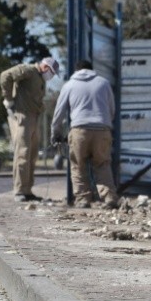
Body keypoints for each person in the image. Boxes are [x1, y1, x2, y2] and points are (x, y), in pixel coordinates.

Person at [51, 60, 119, 209]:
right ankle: (109, 198)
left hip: (79, 130)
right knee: (102, 164)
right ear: (91, 69)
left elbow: (59, 114)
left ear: (76, 70)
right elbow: (112, 109)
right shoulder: (104, 83)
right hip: (102, 129)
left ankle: (83, 199)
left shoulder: (69, 85)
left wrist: (55, 133)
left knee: (78, 165)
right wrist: (106, 124)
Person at [0, 57, 60, 203]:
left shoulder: (39, 78)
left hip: (33, 118)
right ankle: (19, 190)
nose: (51, 76)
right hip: (22, 116)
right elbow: (5, 76)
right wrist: (9, 99)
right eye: (51, 72)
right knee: (22, 153)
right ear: (46, 67)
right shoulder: (28, 70)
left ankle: (27, 190)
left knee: (32, 155)